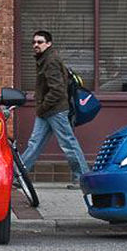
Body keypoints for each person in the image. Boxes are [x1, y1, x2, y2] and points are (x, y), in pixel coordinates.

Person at [20, 30, 89, 190]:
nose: (36, 45)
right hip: (47, 110)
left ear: (48, 44)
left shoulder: (50, 61)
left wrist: (43, 106)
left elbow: (57, 90)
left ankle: (82, 178)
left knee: (68, 144)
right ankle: (19, 175)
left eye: (40, 42)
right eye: (34, 42)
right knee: (34, 143)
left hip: (55, 110)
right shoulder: (44, 59)